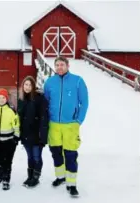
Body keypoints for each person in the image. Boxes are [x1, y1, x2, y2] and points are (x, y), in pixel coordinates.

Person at [43, 56, 89, 196]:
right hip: (54, 125)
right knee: (56, 153)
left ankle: (72, 184)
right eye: (57, 65)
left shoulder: (78, 81)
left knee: (70, 155)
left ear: (67, 65)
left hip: (70, 125)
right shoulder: (50, 82)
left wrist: (78, 121)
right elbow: (45, 102)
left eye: (62, 65)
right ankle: (60, 177)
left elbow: (84, 102)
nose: (59, 67)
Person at [17, 76, 49, 188]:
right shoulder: (21, 99)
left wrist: (42, 135)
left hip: (36, 134)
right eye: (25, 85)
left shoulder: (39, 98)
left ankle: (35, 178)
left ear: (33, 86)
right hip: (26, 134)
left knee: (36, 157)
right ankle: (30, 176)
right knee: (29, 157)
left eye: (30, 85)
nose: (27, 87)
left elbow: (44, 118)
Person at [0, 89, 20, 191]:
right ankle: (0, 175)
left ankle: (6, 179)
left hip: (9, 141)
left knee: (7, 161)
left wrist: (16, 137)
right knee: (0, 159)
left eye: (3, 98)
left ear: (6, 99)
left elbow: (16, 125)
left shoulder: (11, 111)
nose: (1, 99)